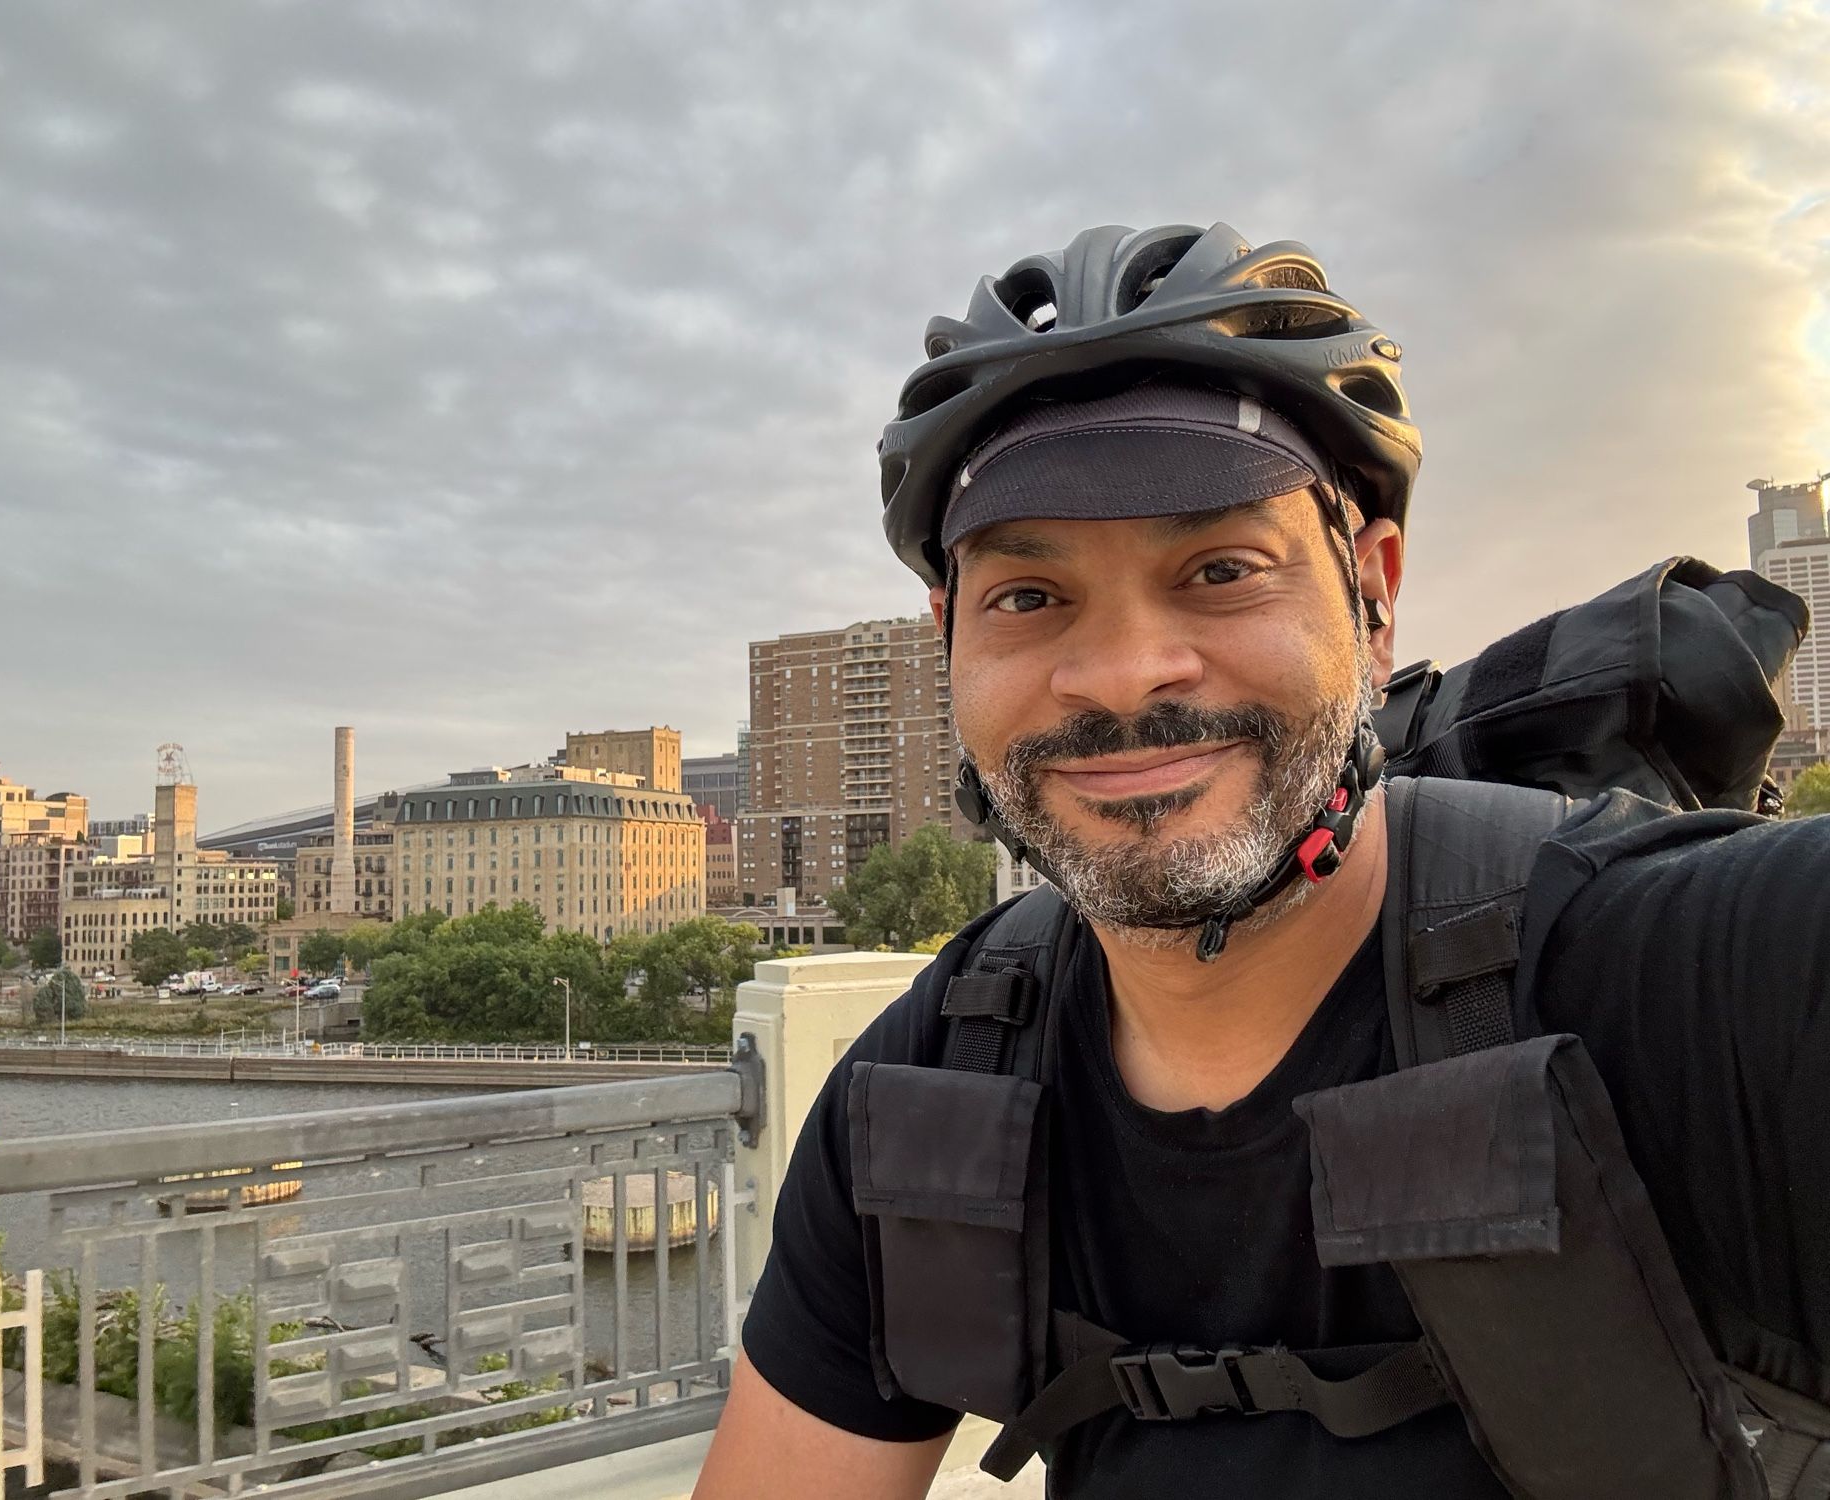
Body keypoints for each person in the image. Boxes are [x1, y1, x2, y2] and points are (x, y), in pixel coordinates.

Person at [693, 222, 1830, 1499]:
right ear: (948, 641)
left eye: (1220, 569)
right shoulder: (930, 1088)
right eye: (1027, 595)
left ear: (1372, 593)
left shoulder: (1695, 983)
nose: (1123, 673)